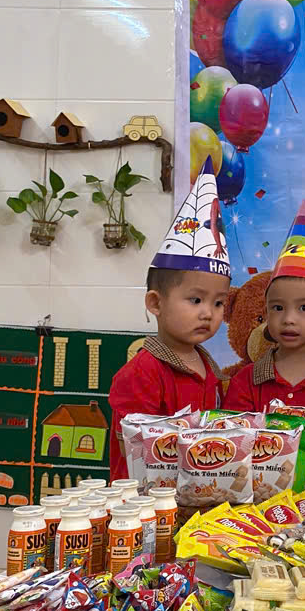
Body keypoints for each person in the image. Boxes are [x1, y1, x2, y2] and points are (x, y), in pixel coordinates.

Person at [108, 162, 232, 479]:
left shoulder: (209, 368)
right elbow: (135, 450)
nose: (208, 313)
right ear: (155, 303)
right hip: (146, 501)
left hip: (197, 495)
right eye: (196, 300)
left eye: (218, 303)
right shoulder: (142, 374)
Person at [222, 201, 305, 482]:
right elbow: (234, 447)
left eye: (304, 308)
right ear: (266, 313)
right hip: (256, 500)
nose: (289, 319)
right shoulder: (247, 380)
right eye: (278, 308)